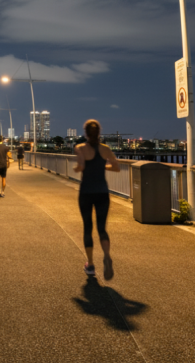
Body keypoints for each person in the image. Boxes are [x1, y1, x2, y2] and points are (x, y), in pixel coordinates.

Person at [73, 119, 120, 280]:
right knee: (102, 228)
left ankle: (91, 265)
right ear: (99, 133)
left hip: (86, 192)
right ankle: (106, 255)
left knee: (88, 227)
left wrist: (77, 167)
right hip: (102, 192)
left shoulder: (80, 148)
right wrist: (103, 166)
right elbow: (116, 167)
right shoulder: (105, 149)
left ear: (86, 133)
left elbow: (81, 167)